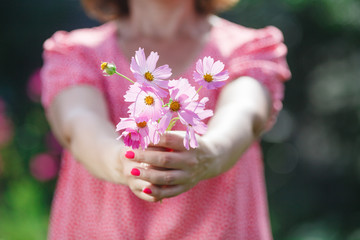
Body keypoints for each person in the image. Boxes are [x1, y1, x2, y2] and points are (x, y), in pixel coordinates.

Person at [41, 0, 291, 239]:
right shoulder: (77, 52)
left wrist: (209, 153)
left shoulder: (248, 49)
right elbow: (79, 121)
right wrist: (123, 163)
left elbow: (245, 112)